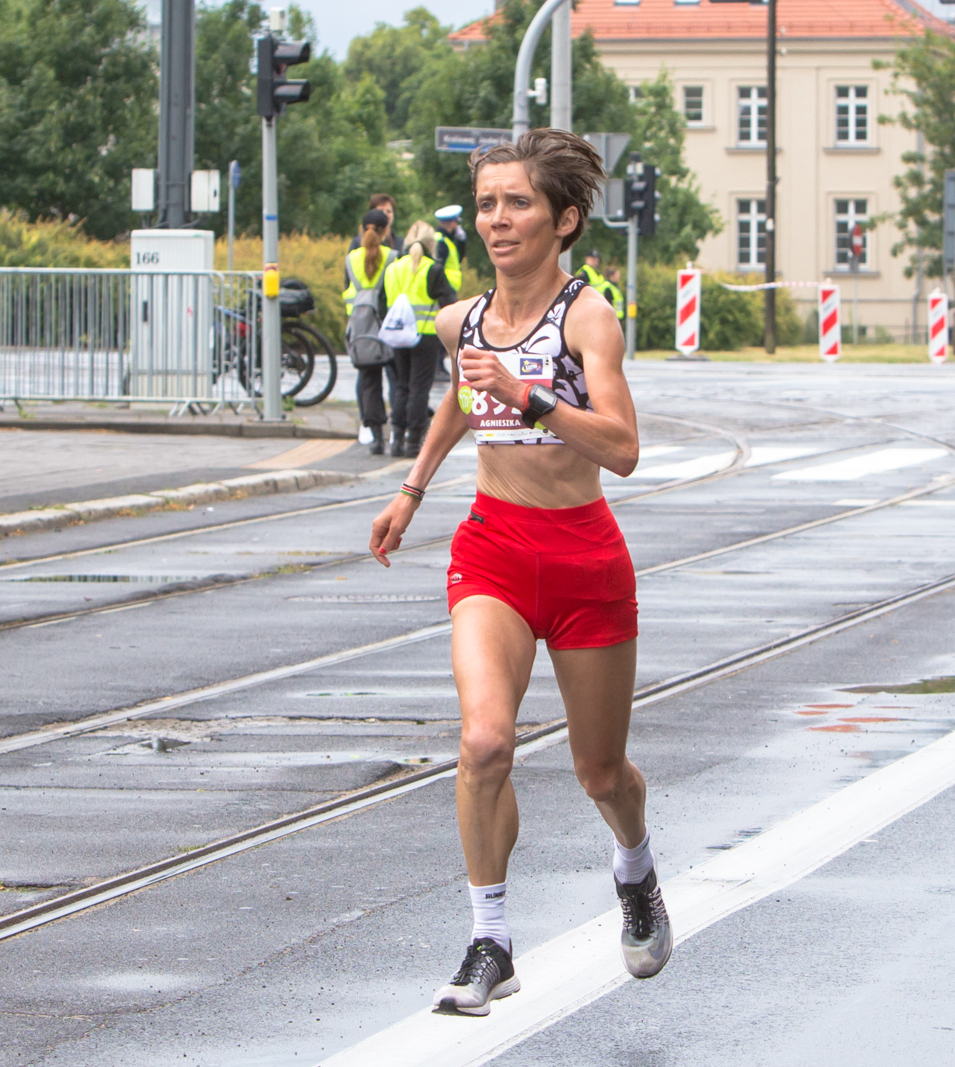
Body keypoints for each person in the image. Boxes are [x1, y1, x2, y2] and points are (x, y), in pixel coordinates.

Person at [369, 128, 671, 1018]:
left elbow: (623, 448)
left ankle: (635, 867)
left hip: (584, 559)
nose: (497, 220)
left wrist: (529, 393)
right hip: (492, 549)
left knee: (600, 772)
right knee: (484, 742)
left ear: (563, 219)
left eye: (518, 203)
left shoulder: (587, 317)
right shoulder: (460, 320)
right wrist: (411, 492)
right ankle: (490, 940)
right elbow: (461, 404)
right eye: (487, 204)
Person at [383, 220, 456, 457]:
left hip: (397, 336)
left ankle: (396, 438)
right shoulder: (432, 270)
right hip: (426, 336)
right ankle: (414, 442)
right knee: (419, 388)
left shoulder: (393, 268)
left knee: (401, 386)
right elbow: (449, 303)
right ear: (430, 243)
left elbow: (382, 302)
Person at [342, 208, 398, 453]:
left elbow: (347, 291)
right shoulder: (393, 257)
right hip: (389, 327)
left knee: (369, 383)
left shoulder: (351, 259)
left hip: (362, 329)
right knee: (397, 380)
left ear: (362, 229)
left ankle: (376, 438)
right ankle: (398, 432)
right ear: (386, 231)